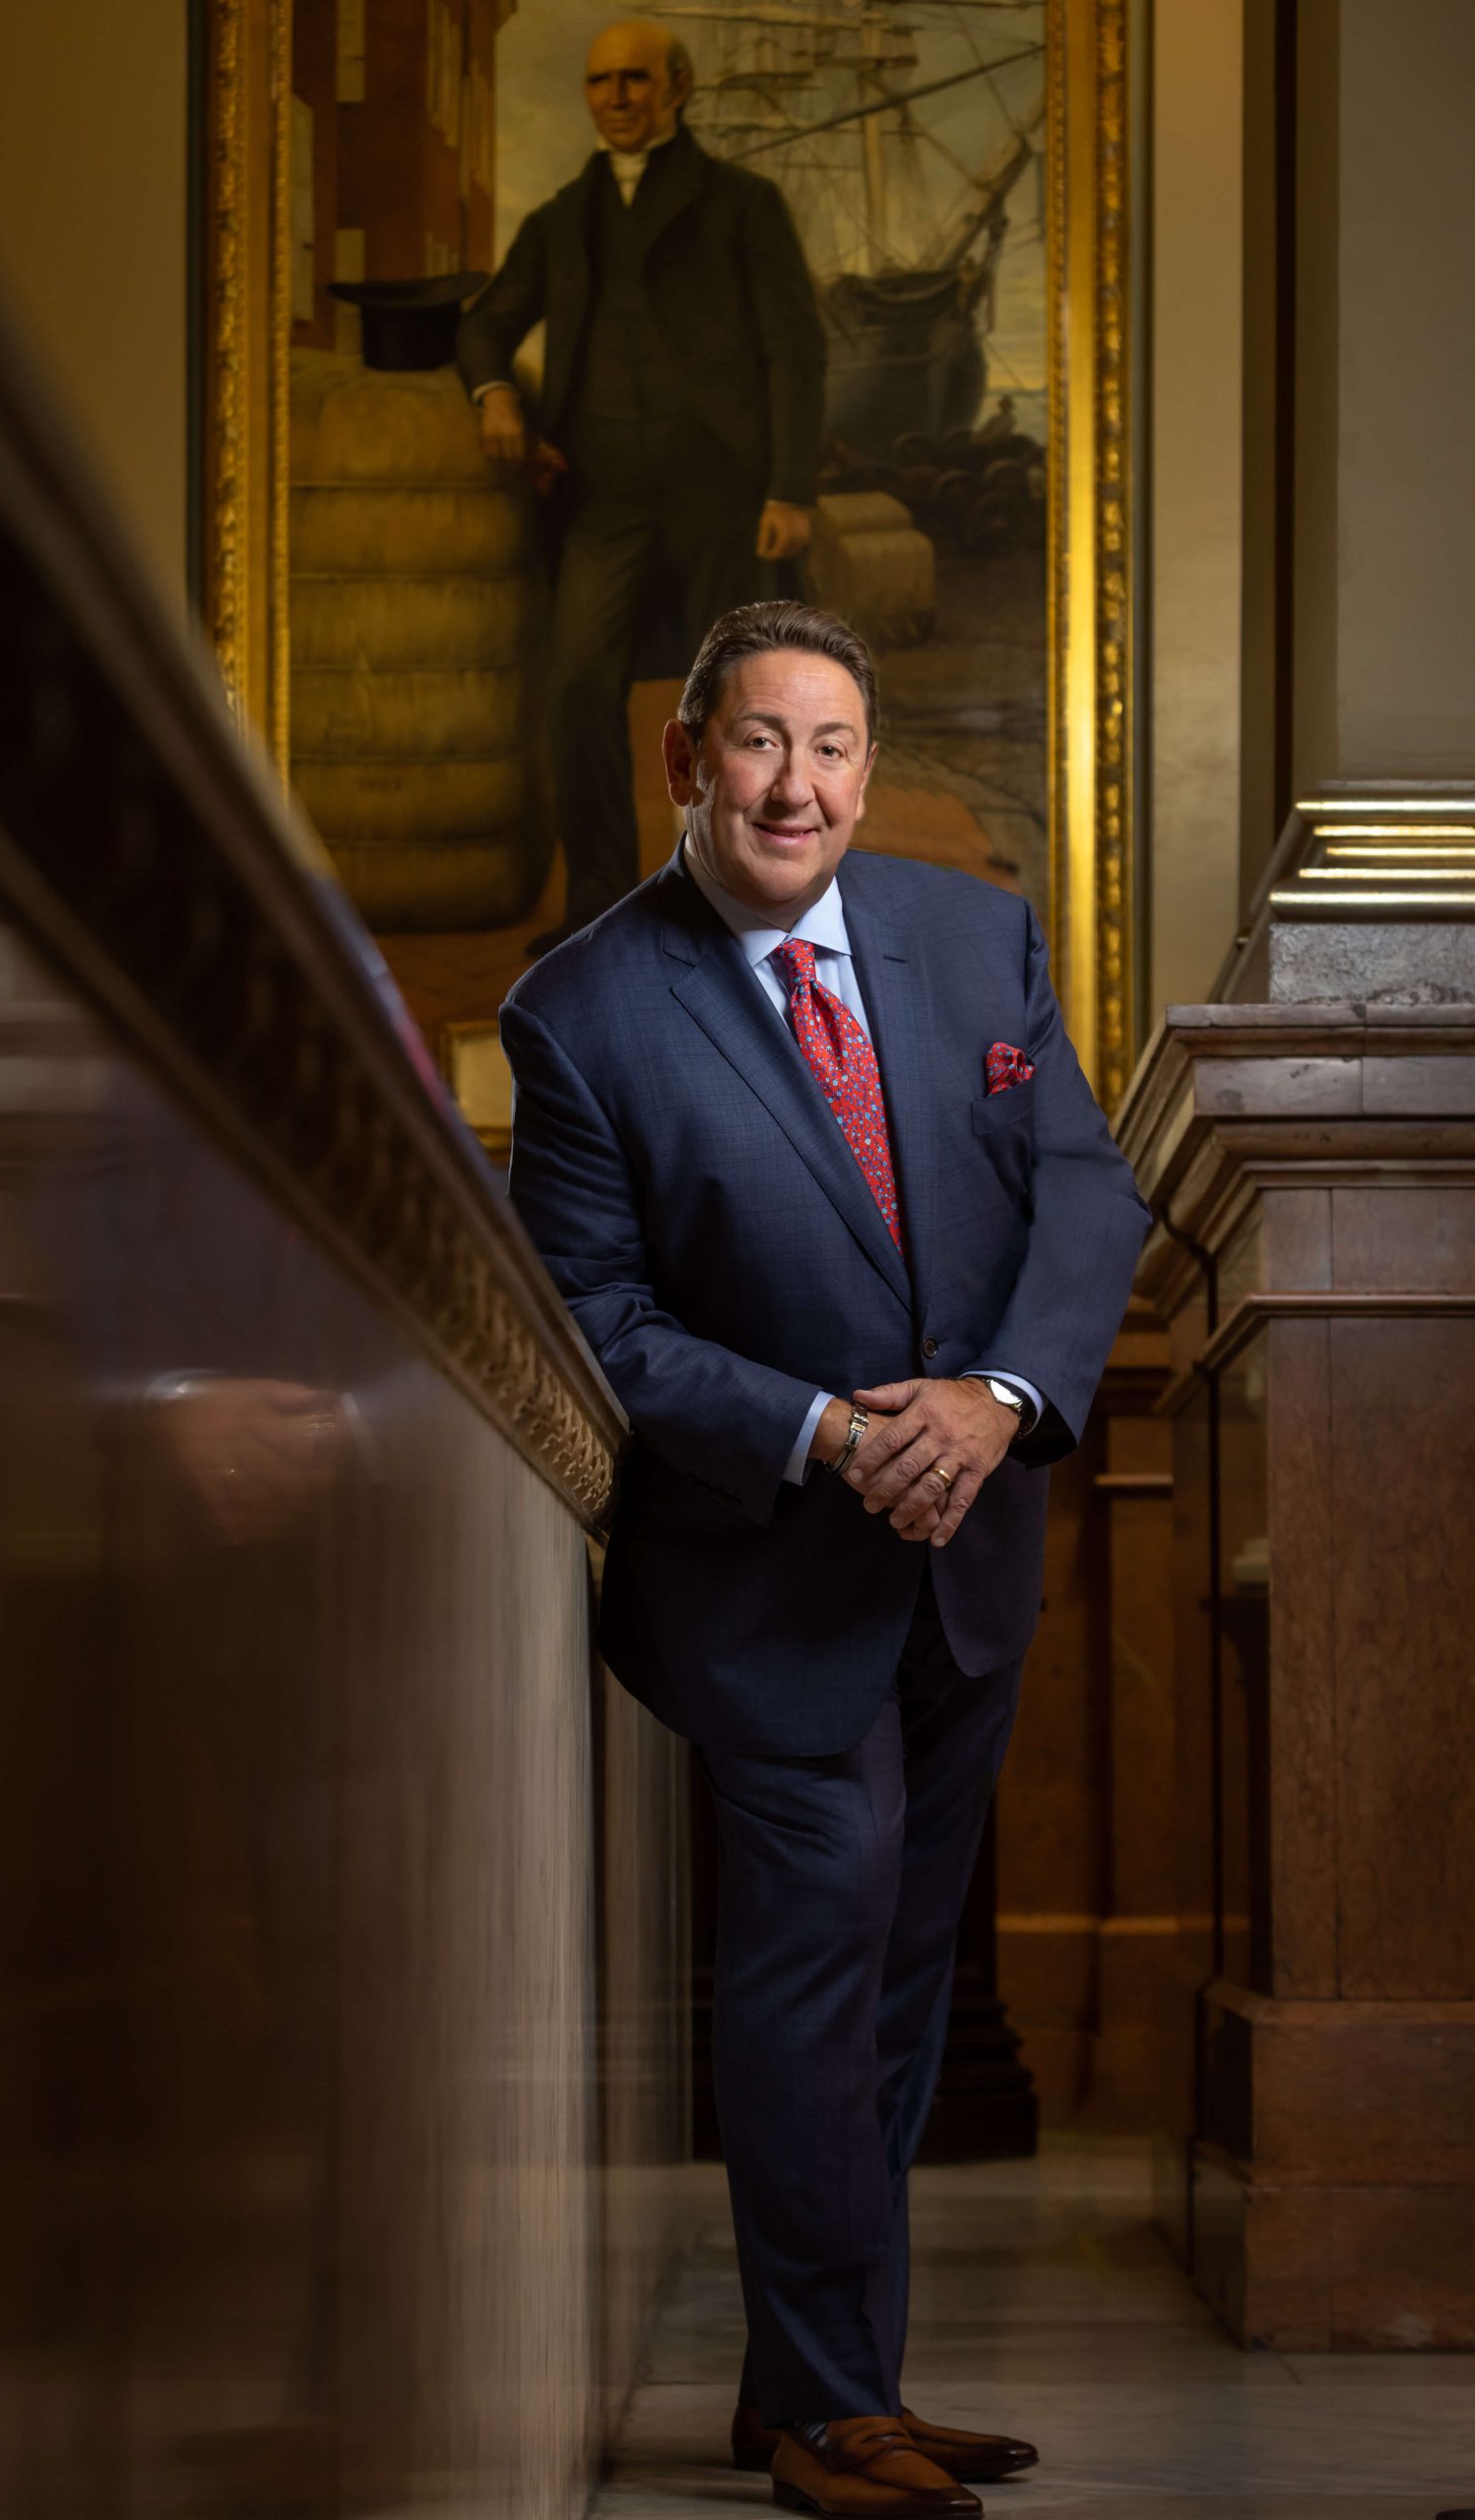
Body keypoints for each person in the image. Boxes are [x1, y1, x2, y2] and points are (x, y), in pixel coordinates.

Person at [499, 601, 1150, 2517]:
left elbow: (1083, 1189)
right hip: (764, 1576)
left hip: (970, 1549)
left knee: (897, 1981)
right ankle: (821, 2411)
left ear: (869, 764)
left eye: (836, 744)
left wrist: (1000, 1398)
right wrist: (835, 1430)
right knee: (817, 1950)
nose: (800, 785)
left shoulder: (978, 936)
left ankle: (826, 2383)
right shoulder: (582, 1009)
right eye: (762, 741)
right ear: (688, 759)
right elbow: (599, 1321)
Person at [457, 21, 826, 957]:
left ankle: (732, 899)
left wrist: (789, 488)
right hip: (603, 497)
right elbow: (485, 325)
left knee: (737, 705)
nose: (615, 97)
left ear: (677, 88)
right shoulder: (562, 219)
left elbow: (794, 348)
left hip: (721, 493)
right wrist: (495, 393)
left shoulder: (742, 205)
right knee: (577, 682)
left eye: (633, 79)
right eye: (599, 82)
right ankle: (597, 910)